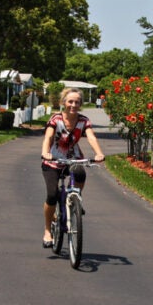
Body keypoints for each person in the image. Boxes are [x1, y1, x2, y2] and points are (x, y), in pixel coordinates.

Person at [41, 88, 105, 247]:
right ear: (64, 102)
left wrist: (98, 153)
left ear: (80, 104)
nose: (73, 105)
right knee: (52, 195)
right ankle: (47, 230)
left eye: (77, 102)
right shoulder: (56, 119)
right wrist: (45, 152)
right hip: (53, 160)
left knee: (80, 174)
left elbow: (91, 136)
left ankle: (75, 200)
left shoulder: (83, 121)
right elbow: (48, 136)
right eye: (70, 101)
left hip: (73, 159)